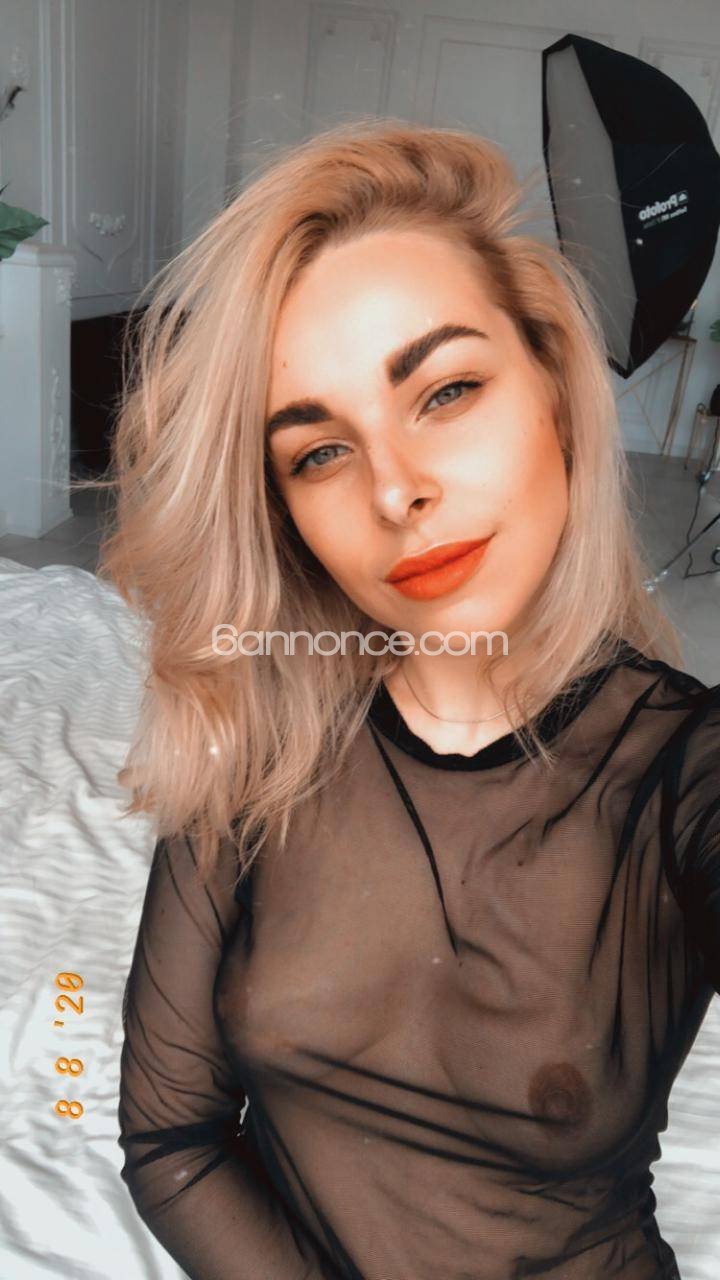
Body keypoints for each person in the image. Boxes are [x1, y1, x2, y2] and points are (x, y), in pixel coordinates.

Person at [104, 119, 720, 1279]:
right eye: (319, 452)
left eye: (446, 390)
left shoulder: (687, 768)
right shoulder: (257, 737)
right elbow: (172, 1137)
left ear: (555, 389)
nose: (396, 489)